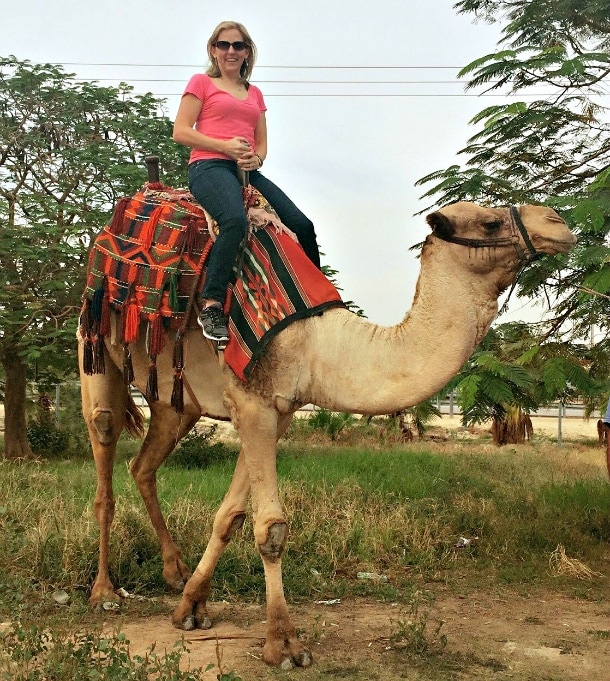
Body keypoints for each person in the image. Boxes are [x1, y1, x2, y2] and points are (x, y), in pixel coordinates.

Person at [173, 20, 321, 342]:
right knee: (235, 221)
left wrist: (258, 158)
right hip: (208, 166)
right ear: (213, 50)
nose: (230, 51)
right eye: (223, 45)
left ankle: (317, 300)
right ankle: (212, 304)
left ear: (246, 52)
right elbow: (181, 131)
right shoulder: (201, 82)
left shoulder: (254, 93)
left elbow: (261, 142)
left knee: (303, 224)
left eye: (237, 45)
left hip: (247, 171)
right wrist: (224, 146)